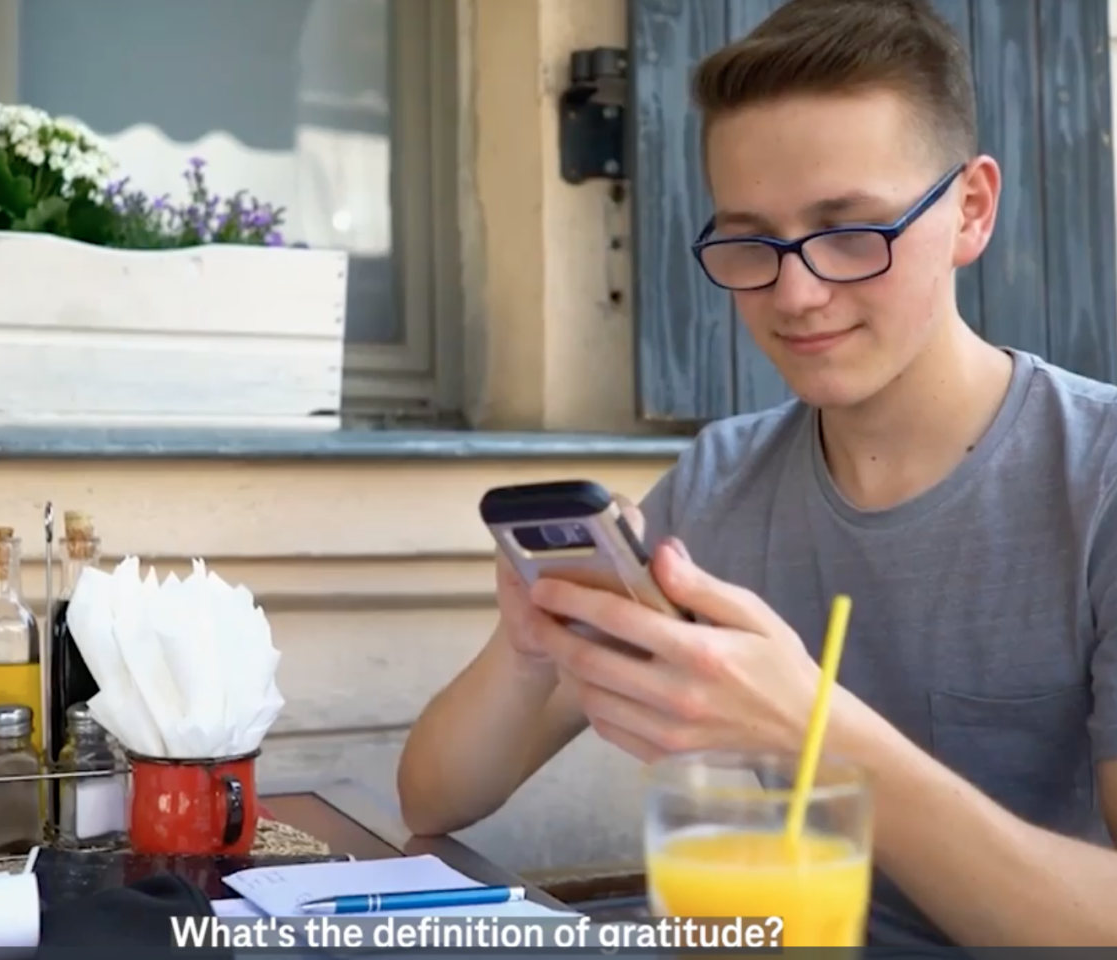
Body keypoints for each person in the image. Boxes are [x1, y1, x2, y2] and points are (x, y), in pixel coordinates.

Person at [396, 0, 1117, 948]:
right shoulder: (720, 485)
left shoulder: (1096, 481)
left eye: (852, 232)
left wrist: (809, 729)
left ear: (970, 211)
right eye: (749, 241)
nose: (796, 293)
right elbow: (436, 797)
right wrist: (530, 651)